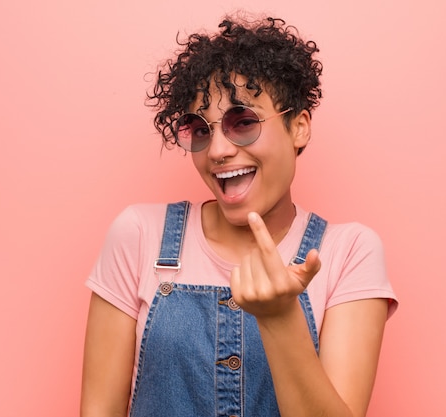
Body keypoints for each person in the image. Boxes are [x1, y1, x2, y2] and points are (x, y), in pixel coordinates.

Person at [81, 14, 398, 417]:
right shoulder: (139, 235)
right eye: (200, 129)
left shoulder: (349, 253)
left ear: (298, 127)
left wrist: (280, 317)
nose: (217, 151)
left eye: (243, 122)